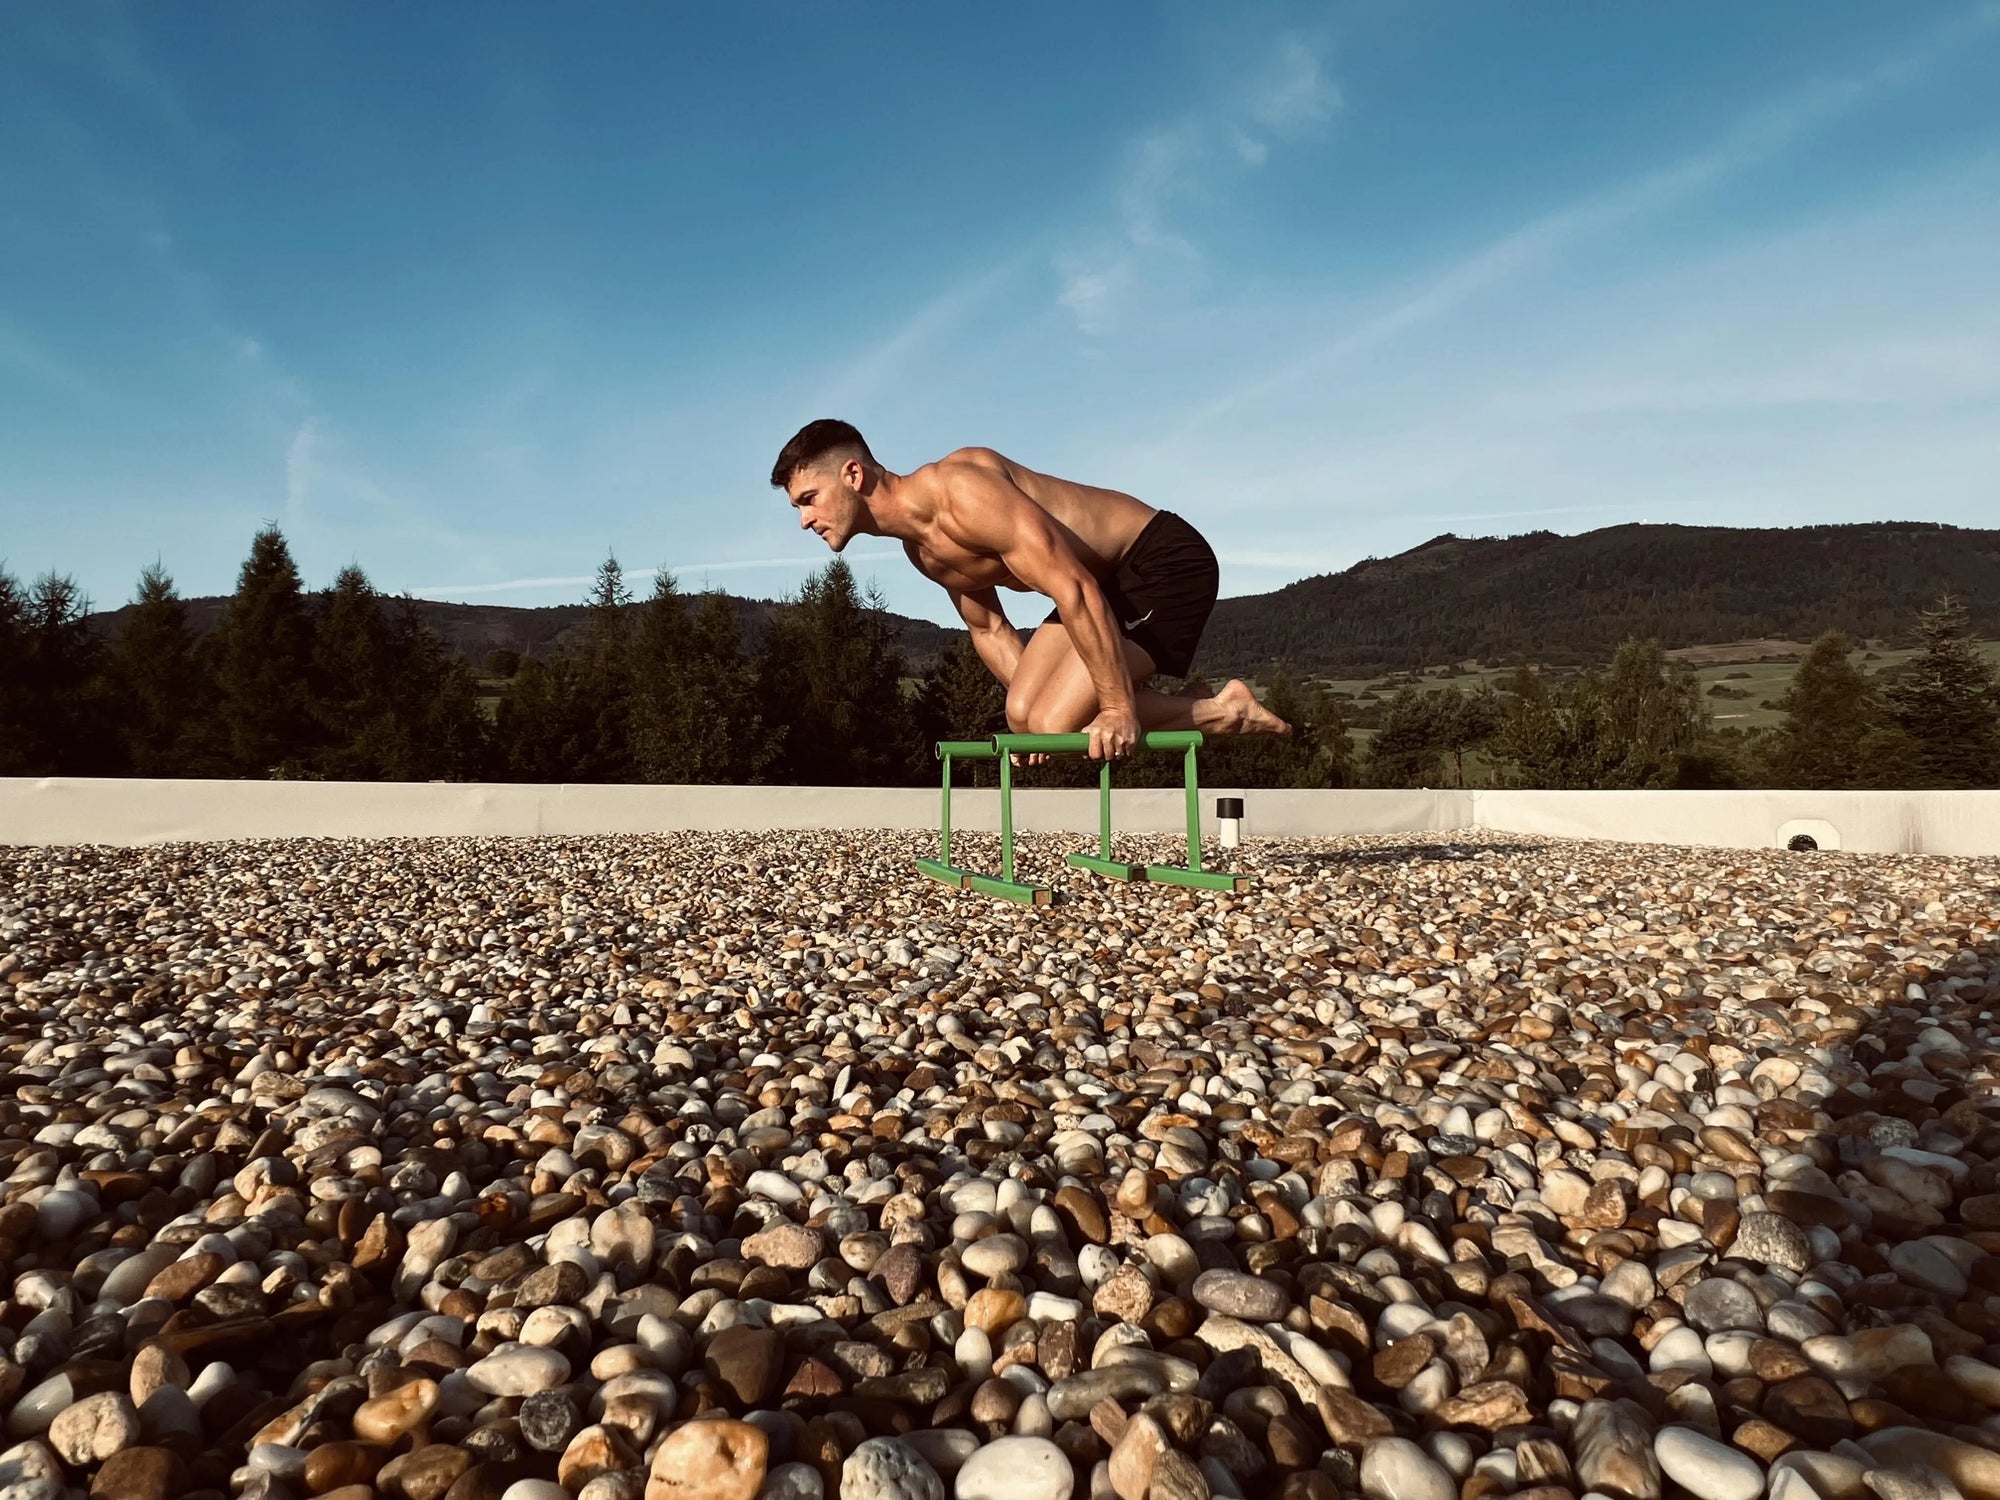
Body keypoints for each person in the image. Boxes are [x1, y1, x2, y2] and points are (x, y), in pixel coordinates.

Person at [770, 418, 1289, 760]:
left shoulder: (959, 491)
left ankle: (1222, 713)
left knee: (1054, 719)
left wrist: (1115, 709)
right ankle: (1210, 707)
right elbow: (989, 629)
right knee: (1026, 715)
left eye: (809, 499)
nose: (804, 520)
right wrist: (1038, 727)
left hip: (1160, 562)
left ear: (853, 474)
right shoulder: (923, 551)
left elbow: (1073, 587)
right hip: (1100, 585)